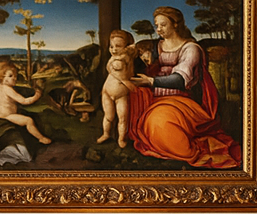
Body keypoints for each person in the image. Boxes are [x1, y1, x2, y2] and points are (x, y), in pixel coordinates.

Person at [126, 6, 241, 169]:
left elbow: (180, 80)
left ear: (176, 24)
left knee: (159, 123)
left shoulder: (191, 49)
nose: (159, 29)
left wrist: (151, 81)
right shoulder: (156, 47)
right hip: (154, 97)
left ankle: (189, 151)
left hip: (182, 100)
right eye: (156, 25)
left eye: (163, 25)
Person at [0, 61, 51, 145]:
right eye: (10, 76)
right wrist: (36, 96)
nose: (14, 78)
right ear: (2, 78)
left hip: (2, 115)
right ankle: (41, 138)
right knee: (29, 120)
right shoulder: (8, 89)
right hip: (8, 116)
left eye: (15, 76)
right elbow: (24, 101)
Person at [97, 30, 136, 147]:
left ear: (126, 47)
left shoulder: (125, 58)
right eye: (111, 46)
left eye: (118, 46)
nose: (114, 50)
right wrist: (125, 81)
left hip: (121, 94)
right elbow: (115, 71)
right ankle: (106, 134)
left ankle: (121, 139)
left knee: (123, 118)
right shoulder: (114, 58)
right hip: (107, 93)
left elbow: (126, 72)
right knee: (108, 116)